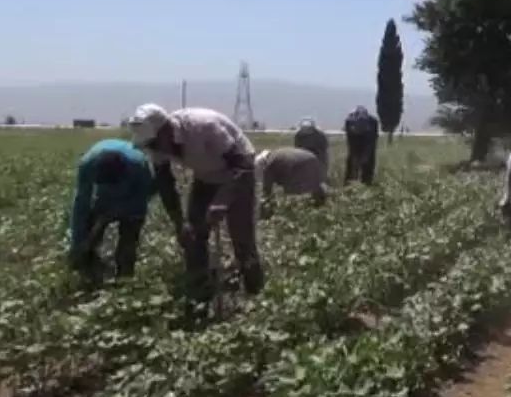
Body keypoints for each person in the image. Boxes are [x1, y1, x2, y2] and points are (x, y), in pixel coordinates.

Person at [127, 104, 265, 298]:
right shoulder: (156, 144)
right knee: (192, 233)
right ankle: (200, 288)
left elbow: (242, 166)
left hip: (238, 173)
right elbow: (165, 182)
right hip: (205, 177)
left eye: (155, 143)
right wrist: (178, 222)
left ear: (166, 130)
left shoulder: (204, 127)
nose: (154, 149)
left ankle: (255, 292)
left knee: (242, 237)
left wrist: (223, 200)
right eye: (149, 145)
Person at [66, 138, 155, 283]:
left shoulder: (139, 165)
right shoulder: (87, 166)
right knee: (89, 230)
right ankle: (87, 268)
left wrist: (117, 211)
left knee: (129, 239)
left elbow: (146, 194)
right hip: (104, 200)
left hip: (132, 198)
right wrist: (79, 240)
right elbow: (81, 204)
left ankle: (125, 278)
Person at [255, 147, 330, 217]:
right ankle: (321, 207)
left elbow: (267, 192)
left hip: (298, 165)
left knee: (290, 197)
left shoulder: (269, 165)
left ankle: (294, 216)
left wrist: (263, 210)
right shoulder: (277, 153)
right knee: (315, 184)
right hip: (313, 158)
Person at [343, 106, 379, 186]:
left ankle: (367, 184)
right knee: (351, 163)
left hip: (368, 140)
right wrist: (354, 157)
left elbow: (371, 143)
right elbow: (351, 143)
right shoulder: (349, 122)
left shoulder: (373, 123)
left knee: (368, 163)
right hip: (354, 140)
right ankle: (348, 185)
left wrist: (365, 156)